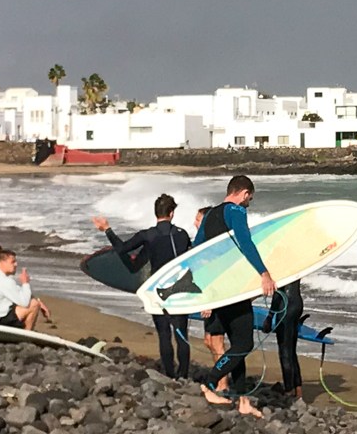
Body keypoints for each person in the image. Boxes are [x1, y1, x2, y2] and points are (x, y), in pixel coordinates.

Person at [193, 176, 275, 419]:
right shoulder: (236, 210)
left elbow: (196, 253)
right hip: (232, 291)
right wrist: (264, 273)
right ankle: (209, 383)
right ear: (245, 193)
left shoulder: (209, 215)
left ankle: (243, 401)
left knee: (237, 347)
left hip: (219, 291)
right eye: (250, 197)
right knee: (243, 345)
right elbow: (245, 241)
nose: (250, 202)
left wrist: (206, 292)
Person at [92, 193, 192, 379]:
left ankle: (170, 375)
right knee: (181, 333)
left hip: (157, 290)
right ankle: (184, 374)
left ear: (156, 213)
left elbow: (123, 250)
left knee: (164, 333)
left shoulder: (147, 236)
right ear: (171, 213)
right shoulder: (182, 235)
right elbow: (191, 259)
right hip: (180, 289)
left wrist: (107, 230)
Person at [0, 248, 53, 331]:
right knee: (34, 304)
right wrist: (25, 283)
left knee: (32, 302)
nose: (16, 264)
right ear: (2, 263)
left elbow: (18, 291)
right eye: (13, 262)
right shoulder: (3, 280)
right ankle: (26, 334)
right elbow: (24, 302)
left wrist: (40, 302)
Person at [266, 279, 305, 400]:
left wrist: (270, 316)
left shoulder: (280, 265)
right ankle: (298, 389)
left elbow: (278, 294)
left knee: (284, 351)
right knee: (292, 350)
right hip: (298, 304)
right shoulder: (293, 263)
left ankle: (289, 390)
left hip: (286, 307)